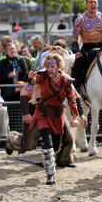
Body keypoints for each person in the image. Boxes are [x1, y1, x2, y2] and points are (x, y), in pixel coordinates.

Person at [28, 53, 83, 185]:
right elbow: (34, 81)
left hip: (58, 114)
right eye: (47, 65)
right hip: (43, 111)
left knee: (56, 145)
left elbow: (72, 99)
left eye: (52, 65)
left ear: (58, 66)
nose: (49, 67)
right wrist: (31, 78)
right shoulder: (42, 76)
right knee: (47, 142)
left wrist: (75, 117)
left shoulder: (66, 80)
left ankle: (54, 158)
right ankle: (50, 174)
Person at [71, 0, 102, 93]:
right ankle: (75, 90)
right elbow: (74, 39)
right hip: (87, 48)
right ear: (86, 4)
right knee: (77, 64)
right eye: (90, 2)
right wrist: (77, 51)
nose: (93, 4)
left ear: (98, 4)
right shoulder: (80, 20)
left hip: (101, 47)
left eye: (95, 2)